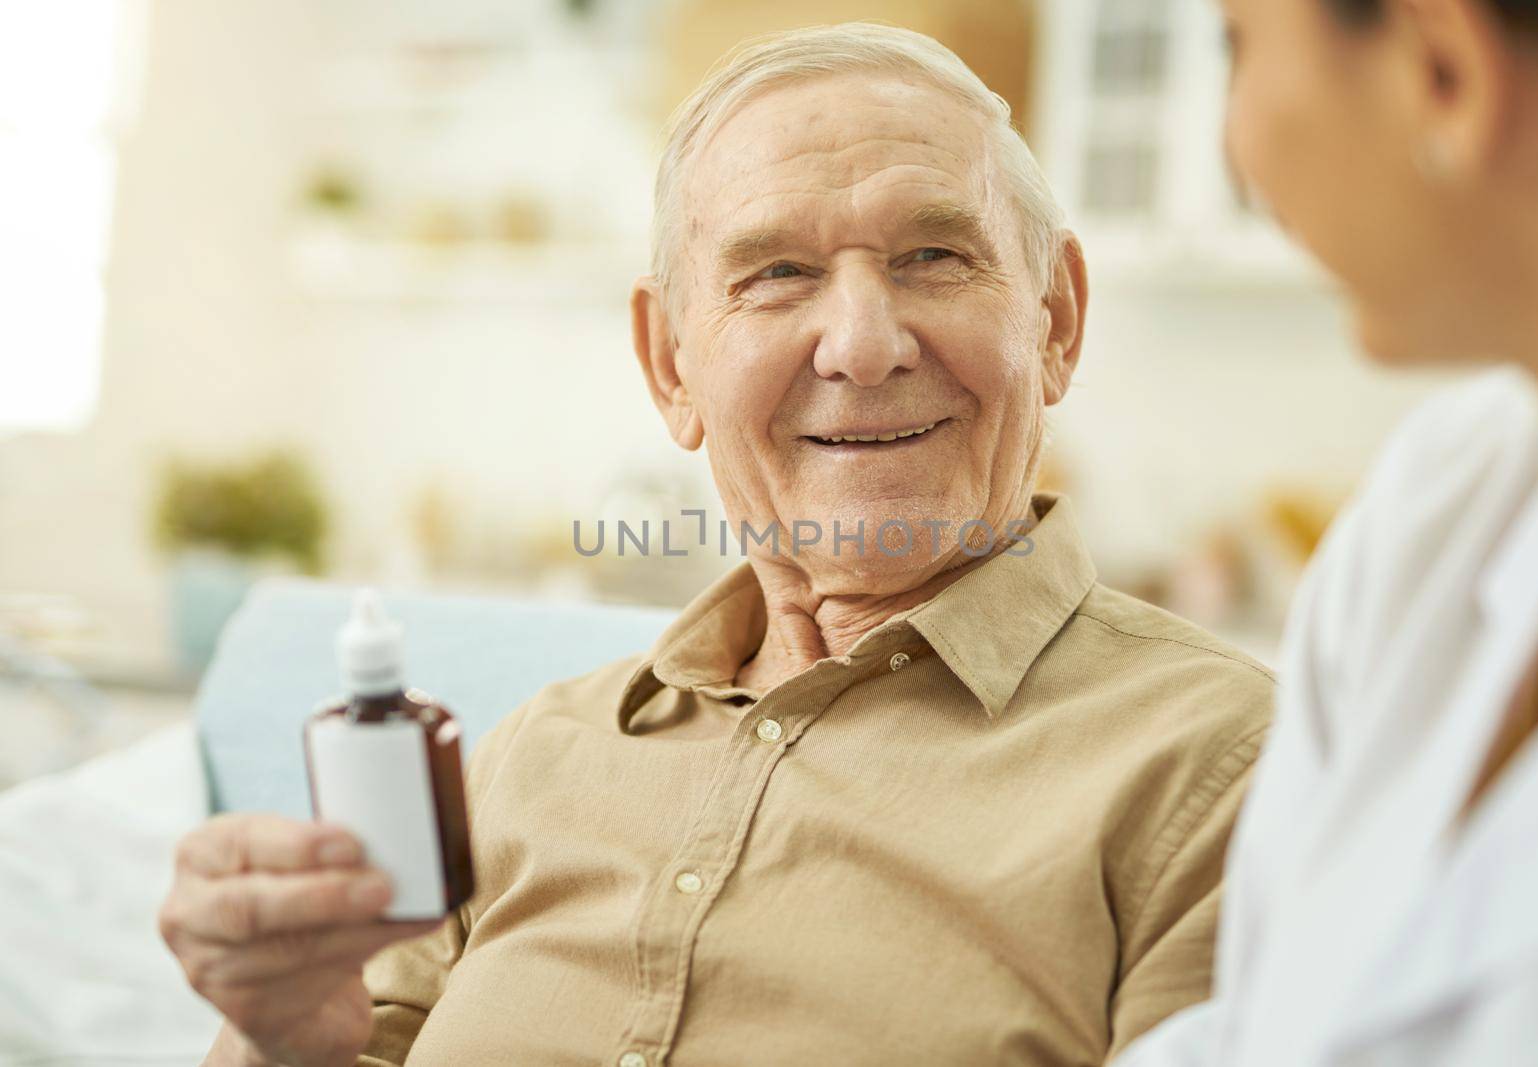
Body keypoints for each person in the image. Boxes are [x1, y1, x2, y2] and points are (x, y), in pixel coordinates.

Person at [158, 23, 1275, 1067]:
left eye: (934, 254)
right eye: (776, 273)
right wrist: (281, 1037)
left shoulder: (1226, 766)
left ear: (1056, 322)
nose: (863, 342)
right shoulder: (529, 756)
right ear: (671, 365)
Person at [1116, 1, 1538, 1063]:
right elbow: (1263, 1028)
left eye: (1238, 44)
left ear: (1441, 71)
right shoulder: (1445, 502)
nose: (1232, 148)